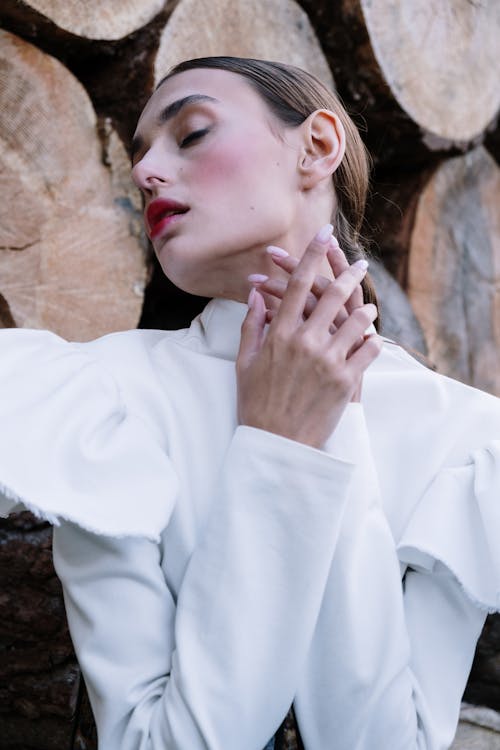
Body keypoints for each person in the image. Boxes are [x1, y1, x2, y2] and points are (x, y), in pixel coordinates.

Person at [1, 56, 499, 750]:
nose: (145, 173)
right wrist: (281, 446)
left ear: (318, 146)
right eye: (139, 154)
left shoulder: (469, 442)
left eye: (193, 132)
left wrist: (330, 421)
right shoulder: (99, 400)